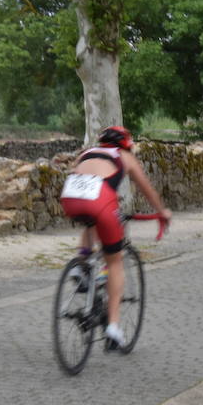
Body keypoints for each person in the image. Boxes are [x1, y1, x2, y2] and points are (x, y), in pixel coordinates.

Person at [59, 125, 172, 347]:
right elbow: (147, 189)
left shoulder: (87, 153)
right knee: (115, 261)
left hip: (70, 197)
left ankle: (81, 265)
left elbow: (86, 181)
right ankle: (113, 327)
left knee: (89, 220)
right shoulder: (125, 157)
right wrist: (162, 212)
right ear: (126, 144)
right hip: (100, 200)